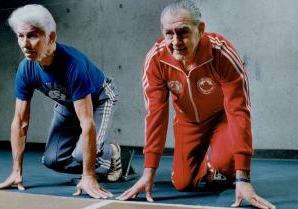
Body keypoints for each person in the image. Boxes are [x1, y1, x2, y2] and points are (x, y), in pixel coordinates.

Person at [117, 1, 275, 208]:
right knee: (183, 184)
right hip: (188, 121)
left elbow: (239, 112)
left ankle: (218, 164)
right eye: (169, 34)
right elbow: (155, 115)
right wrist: (148, 173)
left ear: (200, 29)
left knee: (228, 165)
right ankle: (205, 166)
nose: (175, 42)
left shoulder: (221, 53)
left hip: (223, 118)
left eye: (182, 32)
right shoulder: (155, 60)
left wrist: (243, 179)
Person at [0, 4, 122, 199]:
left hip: (100, 98)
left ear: (51, 37)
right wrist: (16, 171)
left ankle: (111, 152)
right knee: (53, 161)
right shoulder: (26, 69)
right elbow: (20, 122)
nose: (25, 44)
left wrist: (88, 175)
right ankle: (102, 160)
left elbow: (87, 122)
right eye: (20, 36)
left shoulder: (73, 64)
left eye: (32, 36)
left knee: (79, 156)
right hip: (68, 104)